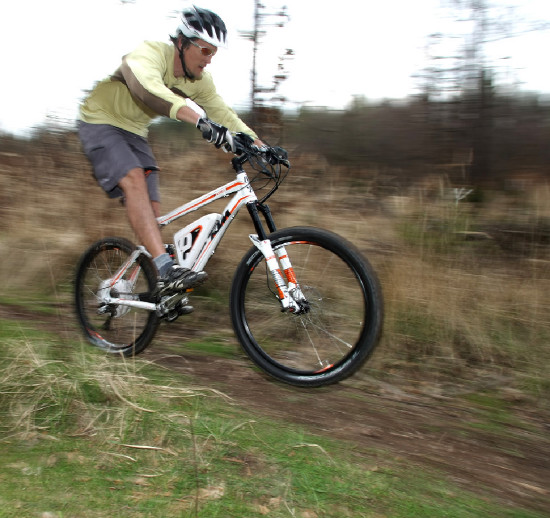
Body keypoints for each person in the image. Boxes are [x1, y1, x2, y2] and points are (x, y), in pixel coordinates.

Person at [78, 5, 264, 297]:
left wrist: (259, 145)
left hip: (134, 132)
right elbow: (148, 89)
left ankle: (159, 289)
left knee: (153, 212)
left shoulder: (199, 81)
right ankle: (165, 269)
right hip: (100, 120)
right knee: (133, 177)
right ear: (182, 42)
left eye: (214, 52)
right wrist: (199, 121)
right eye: (205, 50)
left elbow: (223, 113)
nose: (209, 59)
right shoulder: (149, 54)